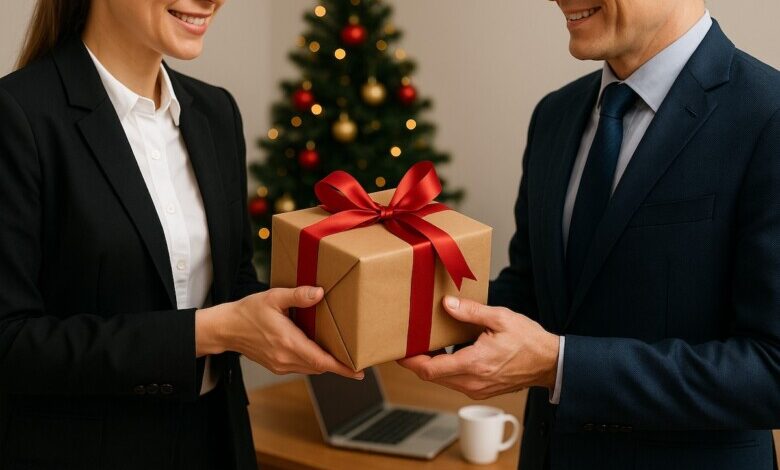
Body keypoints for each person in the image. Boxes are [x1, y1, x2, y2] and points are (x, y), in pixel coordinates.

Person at [400, 0, 780, 469]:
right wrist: (390, 313)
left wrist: (559, 366)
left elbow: (772, 369)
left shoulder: (770, 115)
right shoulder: (554, 116)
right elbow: (530, 292)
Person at [0, 1, 361, 469]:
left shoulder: (215, 111)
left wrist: (335, 310)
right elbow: (10, 342)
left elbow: (233, 281)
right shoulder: (18, 115)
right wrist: (207, 331)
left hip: (216, 440)